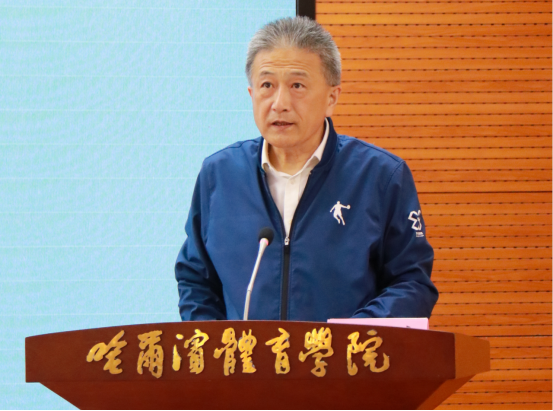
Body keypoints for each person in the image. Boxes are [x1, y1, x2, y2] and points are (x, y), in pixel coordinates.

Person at [175, 17, 439, 322]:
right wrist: (218, 345)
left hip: (344, 353)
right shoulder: (219, 175)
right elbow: (196, 280)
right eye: (267, 85)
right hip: (245, 354)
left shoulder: (380, 176)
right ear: (251, 94)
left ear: (331, 98)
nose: (280, 103)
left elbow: (411, 284)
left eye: (297, 86)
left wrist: (345, 338)